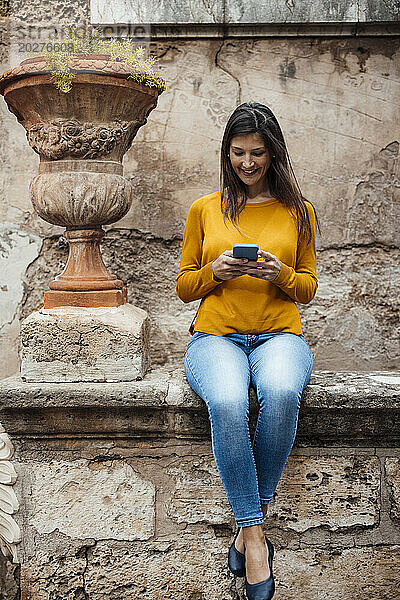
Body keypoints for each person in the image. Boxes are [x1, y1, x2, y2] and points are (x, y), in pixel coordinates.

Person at [175, 101, 321, 600]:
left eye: (257, 153)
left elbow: (308, 288)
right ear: (227, 153)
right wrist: (212, 274)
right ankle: (254, 534)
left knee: (281, 392)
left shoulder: (300, 213)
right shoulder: (204, 209)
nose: (247, 163)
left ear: (273, 154)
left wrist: (282, 276)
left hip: (279, 334)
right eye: (238, 153)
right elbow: (184, 286)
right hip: (215, 336)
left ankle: (246, 525)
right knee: (229, 401)